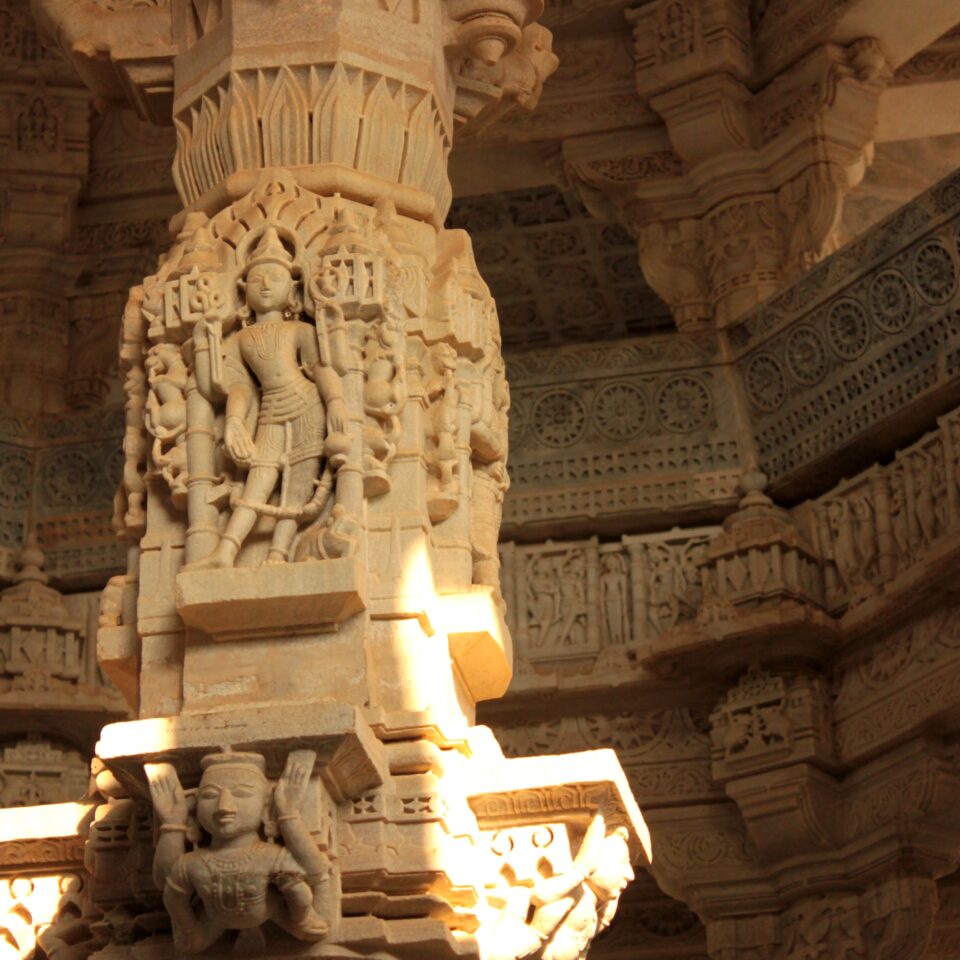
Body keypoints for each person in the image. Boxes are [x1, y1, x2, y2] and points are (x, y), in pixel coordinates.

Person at [188, 226, 347, 569]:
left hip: (307, 406)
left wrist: (334, 401)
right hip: (270, 411)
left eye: (274, 277)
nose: (265, 284)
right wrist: (232, 421)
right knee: (259, 479)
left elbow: (321, 368)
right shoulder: (240, 340)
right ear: (244, 292)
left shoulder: (301, 330)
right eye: (258, 277)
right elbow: (237, 387)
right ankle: (226, 551)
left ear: (292, 289)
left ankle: (277, 554)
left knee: (298, 485)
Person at [146, 751, 329, 953]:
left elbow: (311, 874)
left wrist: (288, 814)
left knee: (311, 928)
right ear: (194, 806)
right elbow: (169, 890)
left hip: (273, 912)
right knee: (189, 946)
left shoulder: (270, 856)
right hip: (212, 921)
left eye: (242, 793)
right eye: (210, 795)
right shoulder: (192, 863)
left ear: (266, 805)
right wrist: (173, 823)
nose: (224, 807)